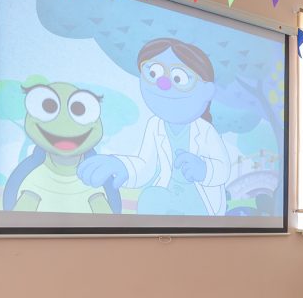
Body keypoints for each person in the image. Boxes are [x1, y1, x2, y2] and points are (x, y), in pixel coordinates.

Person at [77, 38, 230, 216]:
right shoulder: (155, 125)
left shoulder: (205, 131)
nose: (163, 85)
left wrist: (204, 170)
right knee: (151, 199)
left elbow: (223, 169)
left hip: (201, 207)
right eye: (153, 74)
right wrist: (122, 166)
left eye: (179, 78)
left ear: (207, 91)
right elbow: (146, 166)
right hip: (166, 201)